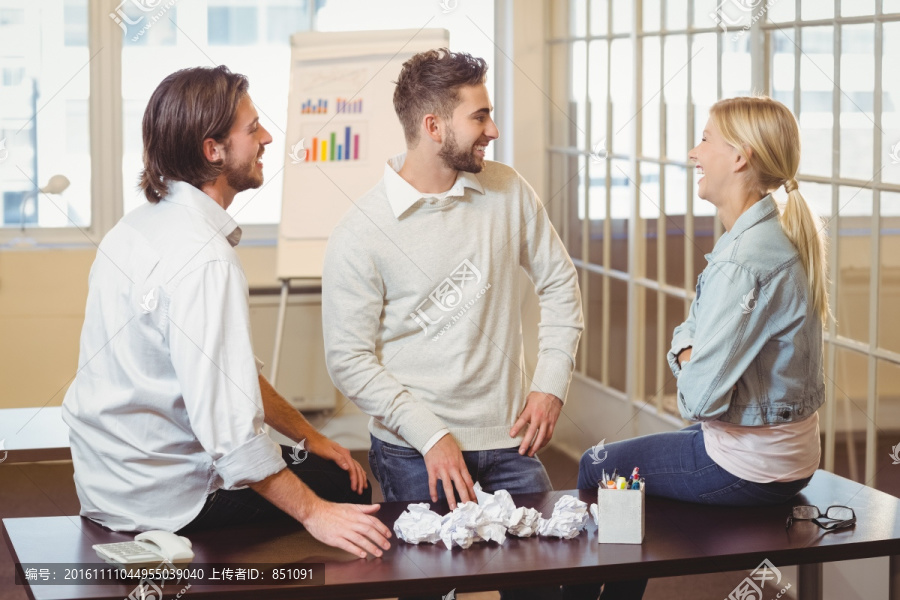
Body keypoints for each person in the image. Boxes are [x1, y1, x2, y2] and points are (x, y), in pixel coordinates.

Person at [62, 65, 391, 560]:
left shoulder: (133, 228)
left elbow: (226, 376)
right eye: (252, 128)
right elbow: (234, 441)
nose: (268, 138)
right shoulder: (206, 261)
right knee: (349, 487)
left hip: (106, 483)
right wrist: (316, 513)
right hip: (166, 503)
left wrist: (309, 435)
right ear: (212, 150)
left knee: (323, 461)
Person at [569, 96, 828, 599]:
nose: (693, 152)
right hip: (790, 456)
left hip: (752, 467)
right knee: (640, 476)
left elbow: (696, 400)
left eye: (706, 138)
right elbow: (701, 344)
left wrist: (686, 350)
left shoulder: (744, 262)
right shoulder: (769, 236)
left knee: (596, 465)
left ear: (740, 157)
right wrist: (693, 345)